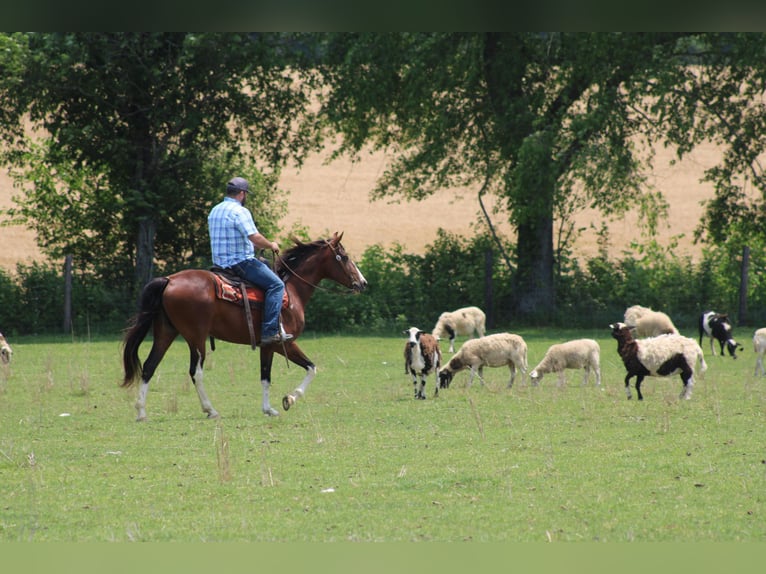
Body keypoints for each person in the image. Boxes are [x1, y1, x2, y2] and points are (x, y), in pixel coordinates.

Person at [208, 176, 292, 345]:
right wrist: (271, 245)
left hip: (219, 265)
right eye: (245, 194)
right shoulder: (239, 211)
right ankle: (270, 331)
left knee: (265, 265)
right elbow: (254, 237)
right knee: (276, 285)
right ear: (242, 193)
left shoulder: (215, 210)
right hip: (240, 263)